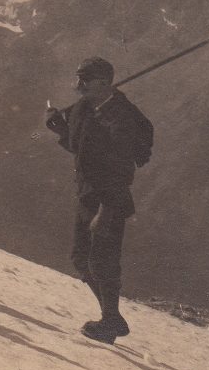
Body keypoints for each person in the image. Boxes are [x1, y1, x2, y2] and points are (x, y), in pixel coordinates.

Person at [45, 57, 153, 344]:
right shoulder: (85, 109)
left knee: (102, 261)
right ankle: (112, 318)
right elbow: (82, 148)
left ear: (104, 83)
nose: (77, 86)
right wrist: (61, 131)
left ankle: (109, 323)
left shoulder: (122, 118)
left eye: (84, 81)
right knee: (82, 258)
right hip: (88, 194)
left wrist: (105, 210)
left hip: (110, 199)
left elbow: (121, 169)